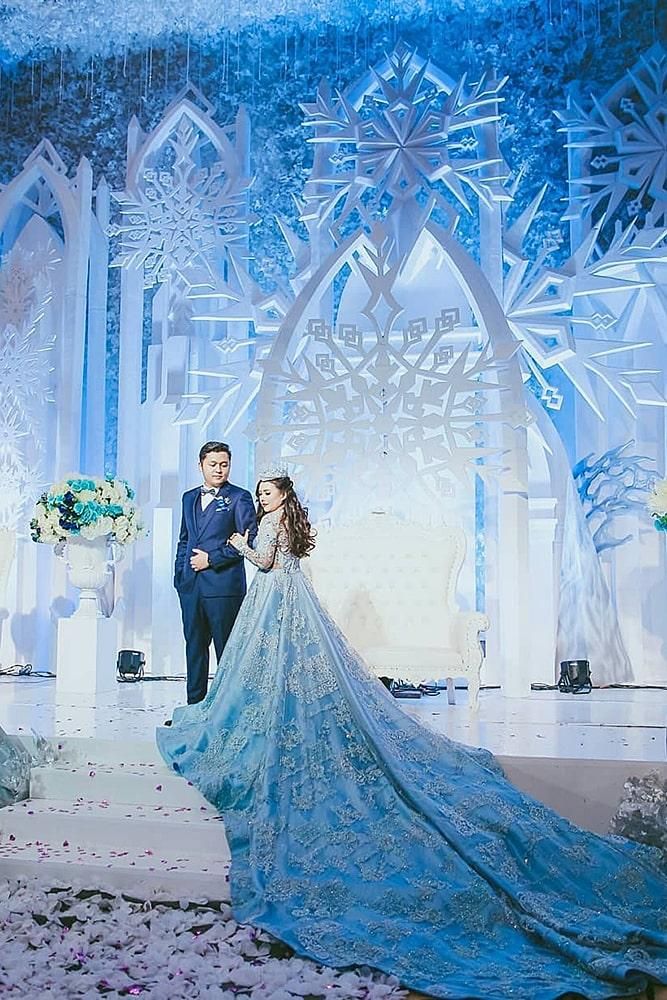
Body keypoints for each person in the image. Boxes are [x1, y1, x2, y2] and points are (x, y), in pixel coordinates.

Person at [158, 470, 667, 1000]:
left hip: (276, 604)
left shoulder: (272, 523)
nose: (260, 496)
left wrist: (240, 543)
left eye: (267, 490)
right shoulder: (278, 518)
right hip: (276, 606)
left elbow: (265, 563)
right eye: (259, 490)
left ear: (283, 495)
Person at [173, 441, 257, 705]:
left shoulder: (239, 497)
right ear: (200, 466)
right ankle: (194, 710)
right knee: (194, 650)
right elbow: (184, 539)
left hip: (223, 588)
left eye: (224, 464)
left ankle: (226, 712)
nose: (219, 470)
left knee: (227, 652)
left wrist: (212, 559)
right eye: (213, 465)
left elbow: (248, 540)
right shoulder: (188, 497)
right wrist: (180, 574)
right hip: (191, 586)